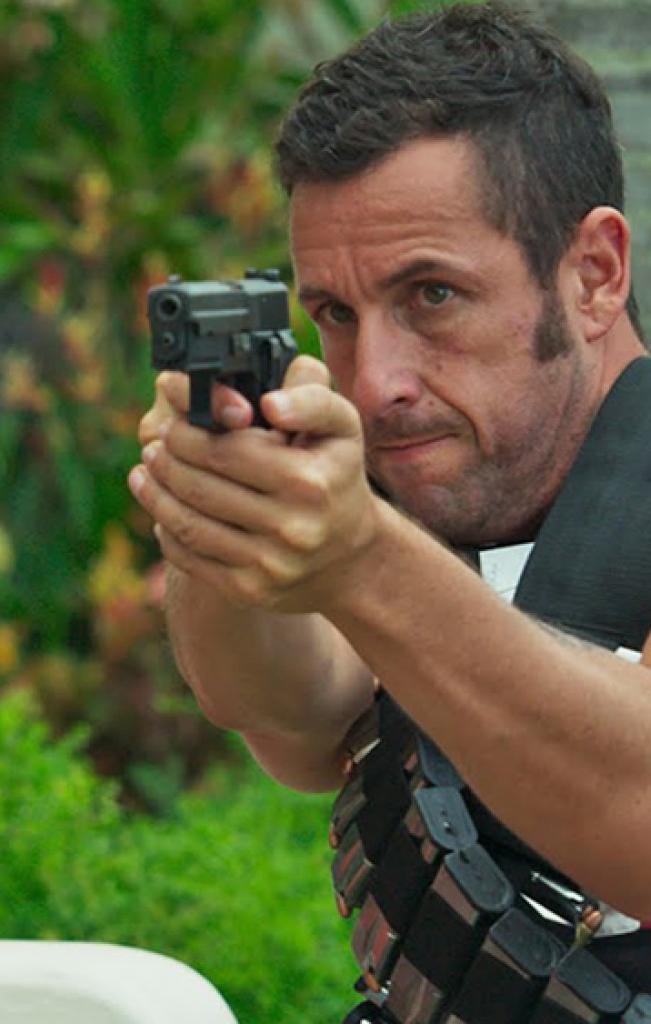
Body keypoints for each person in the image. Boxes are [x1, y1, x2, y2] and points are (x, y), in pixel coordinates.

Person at [128, 2, 651, 1020]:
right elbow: (289, 717)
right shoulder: (442, 484)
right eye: (335, 314)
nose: (375, 384)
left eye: (432, 296)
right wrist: (220, 516)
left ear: (593, 274)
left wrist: (361, 560)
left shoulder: (390, 533)